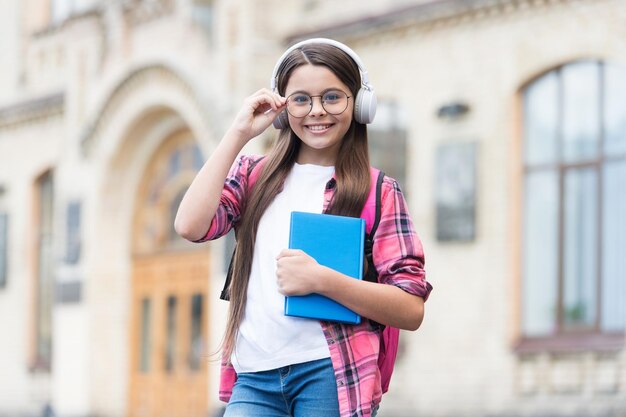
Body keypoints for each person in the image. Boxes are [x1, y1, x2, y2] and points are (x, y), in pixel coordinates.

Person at [175, 38, 432, 417]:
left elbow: (411, 308)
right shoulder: (252, 176)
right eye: (301, 99)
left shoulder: (378, 192)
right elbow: (189, 225)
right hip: (253, 376)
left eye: (332, 97)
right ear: (282, 108)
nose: (317, 111)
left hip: (330, 374)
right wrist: (238, 134)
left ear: (359, 104)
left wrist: (322, 280)